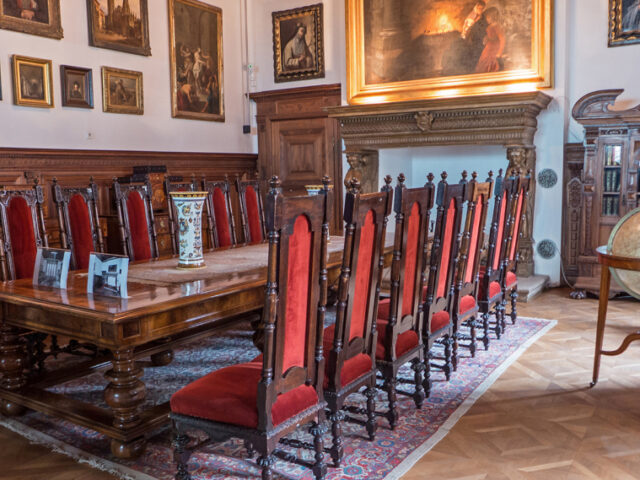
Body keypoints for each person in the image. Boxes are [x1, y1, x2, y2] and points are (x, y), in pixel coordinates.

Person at [475, 7, 505, 73]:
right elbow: (491, 36)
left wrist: (499, 52)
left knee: (491, 64)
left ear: (492, 17)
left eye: (488, 17)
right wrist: (487, 38)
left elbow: (502, 39)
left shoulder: (497, 26)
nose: (487, 19)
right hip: (488, 47)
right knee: (483, 62)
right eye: (486, 17)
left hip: (494, 48)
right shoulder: (490, 26)